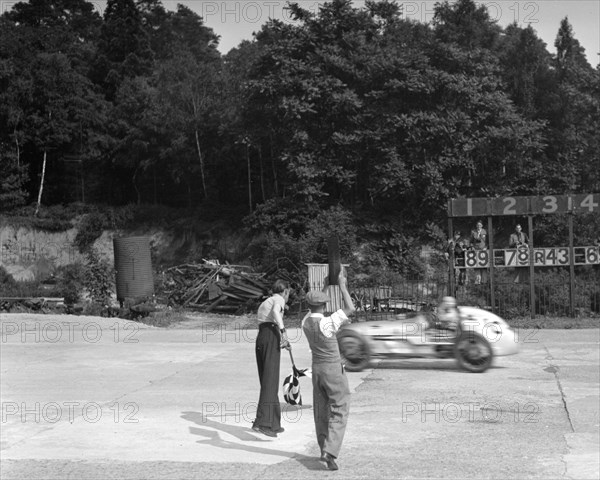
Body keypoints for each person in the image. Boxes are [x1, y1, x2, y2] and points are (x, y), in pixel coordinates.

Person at [301, 268, 355, 470]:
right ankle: (330, 451)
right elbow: (350, 307)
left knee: (321, 411)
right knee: (340, 408)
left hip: (317, 369)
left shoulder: (305, 322)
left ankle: (324, 448)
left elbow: (313, 307)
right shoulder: (328, 322)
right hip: (333, 368)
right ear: (324, 304)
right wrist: (341, 285)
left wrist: (324, 287)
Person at [252, 280, 291, 438]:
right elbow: (276, 312)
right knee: (270, 379)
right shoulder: (279, 299)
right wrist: (283, 332)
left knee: (268, 379)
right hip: (271, 335)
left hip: (262, 337)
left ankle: (273, 422)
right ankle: (264, 423)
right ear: (285, 292)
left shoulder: (265, 301)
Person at [470, 220, 488, 284]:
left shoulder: (485, 232)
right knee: (477, 265)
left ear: (482, 226)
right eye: (478, 225)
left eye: (480, 225)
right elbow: (471, 241)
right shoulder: (473, 232)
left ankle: (484, 281)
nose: (479, 226)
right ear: (476, 226)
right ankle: (477, 281)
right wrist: (472, 247)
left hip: (483, 250)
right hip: (476, 251)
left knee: (484, 265)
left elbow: (488, 241)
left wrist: (486, 247)